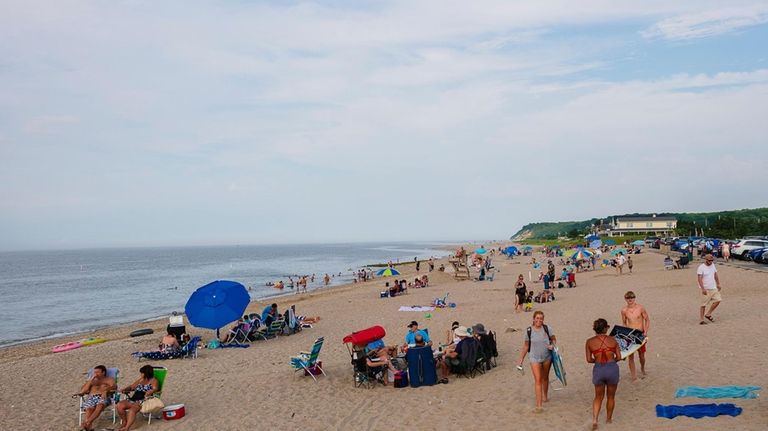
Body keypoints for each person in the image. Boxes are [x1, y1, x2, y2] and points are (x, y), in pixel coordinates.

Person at [517, 311, 557, 412]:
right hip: (534, 358)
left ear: (543, 319)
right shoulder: (529, 331)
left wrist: (552, 345)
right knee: (538, 380)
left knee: (545, 378)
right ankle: (539, 406)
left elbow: (554, 339)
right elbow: (526, 345)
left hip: (547, 357)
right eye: (537, 318)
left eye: (541, 318)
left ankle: (545, 396)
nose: (539, 320)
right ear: (533, 319)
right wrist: (521, 358)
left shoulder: (547, 329)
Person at [586, 318, 621, 430]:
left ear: (595, 329)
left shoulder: (589, 342)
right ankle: (609, 419)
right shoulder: (613, 340)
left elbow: (588, 359)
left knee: (598, 397)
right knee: (611, 396)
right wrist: (612, 361)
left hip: (599, 368)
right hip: (611, 368)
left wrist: (597, 361)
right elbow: (619, 357)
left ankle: (595, 419)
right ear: (606, 328)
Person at [115, 365, 159, 431]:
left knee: (132, 410)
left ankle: (127, 427)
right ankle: (124, 421)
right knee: (119, 405)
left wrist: (150, 391)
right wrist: (125, 389)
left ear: (146, 373)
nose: (141, 374)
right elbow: (132, 387)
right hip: (133, 399)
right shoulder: (141, 380)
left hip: (143, 400)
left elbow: (155, 388)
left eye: (142, 373)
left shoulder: (154, 380)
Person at [75, 365, 116, 431]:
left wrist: (106, 390)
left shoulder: (109, 379)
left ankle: (87, 423)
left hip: (103, 396)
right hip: (92, 397)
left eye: (97, 372)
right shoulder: (92, 380)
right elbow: (83, 391)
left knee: (99, 406)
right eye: (95, 372)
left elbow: (114, 387)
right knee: (89, 409)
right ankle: (88, 427)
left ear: (103, 372)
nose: (95, 374)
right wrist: (90, 380)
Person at [620, 291, 650, 381]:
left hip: (640, 333)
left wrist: (645, 332)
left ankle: (642, 368)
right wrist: (625, 333)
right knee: (631, 356)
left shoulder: (640, 308)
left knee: (641, 355)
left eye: (632, 297)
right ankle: (633, 376)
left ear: (634, 298)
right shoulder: (624, 310)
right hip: (630, 334)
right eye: (628, 298)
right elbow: (624, 322)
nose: (630, 299)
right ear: (625, 299)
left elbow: (647, 320)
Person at [697, 254, 722, 325]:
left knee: (718, 300)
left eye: (712, 260)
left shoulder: (713, 265)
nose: (711, 262)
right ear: (706, 260)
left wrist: (718, 284)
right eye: (709, 260)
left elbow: (715, 274)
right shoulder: (701, 267)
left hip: (713, 287)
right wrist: (703, 289)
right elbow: (699, 279)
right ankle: (701, 319)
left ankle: (708, 314)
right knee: (703, 304)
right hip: (706, 289)